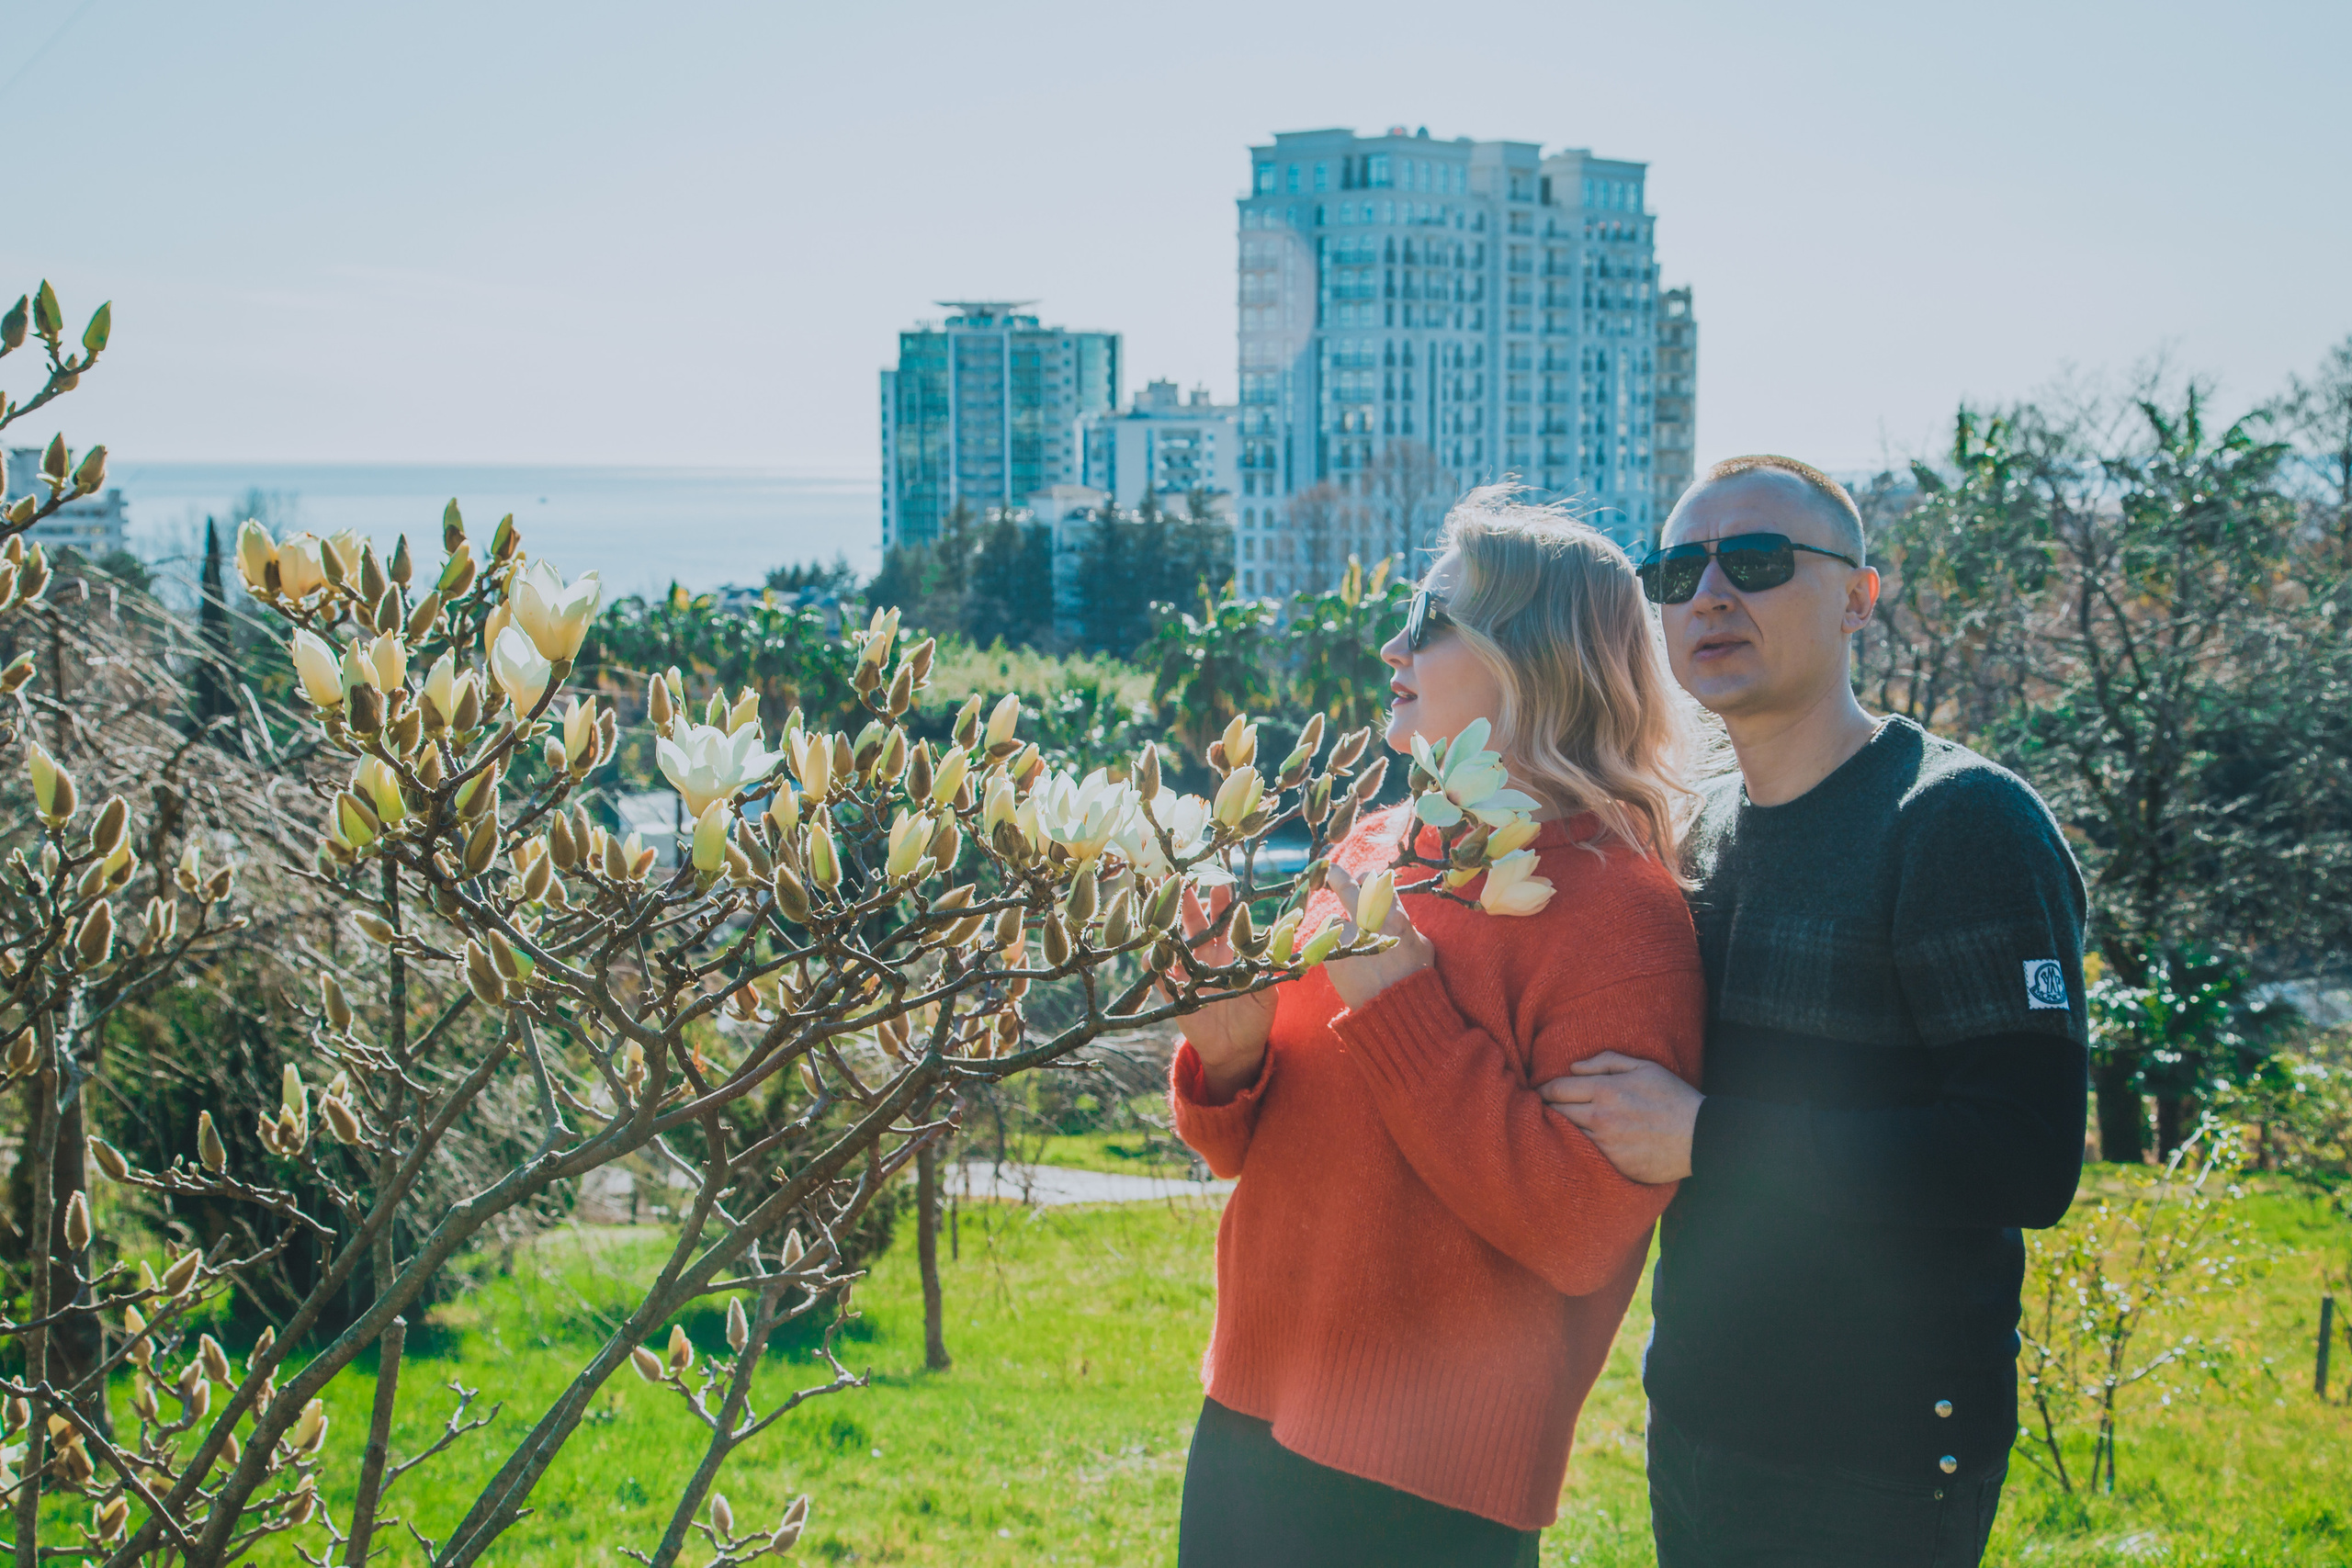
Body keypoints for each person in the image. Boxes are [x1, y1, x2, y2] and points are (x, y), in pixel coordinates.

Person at [1541, 456, 2088, 1568]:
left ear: (1856, 598)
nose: (1709, 596)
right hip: (1699, 1418)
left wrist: (1702, 1134)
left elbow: (2025, 1158)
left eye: (1756, 561)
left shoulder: (1958, 823)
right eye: (1677, 571)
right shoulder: (1694, 829)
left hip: (1876, 1456)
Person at [1169, 489, 1706, 1568]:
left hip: (1425, 1485)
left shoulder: (1621, 915)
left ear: (1530, 658)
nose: (1389, 643)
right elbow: (1258, 1151)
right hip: (1245, 1415)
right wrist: (1224, 1060)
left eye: (1428, 617)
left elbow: (1580, 1233)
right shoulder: (1378, 845)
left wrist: (1403, 1007)